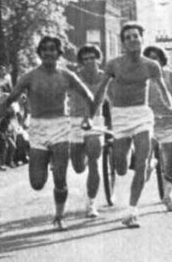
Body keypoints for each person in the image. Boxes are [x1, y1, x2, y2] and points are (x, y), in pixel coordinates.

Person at [0, 36, 96, 231]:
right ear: (39, 53)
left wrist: (89, 118)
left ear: (58, 53)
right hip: (37, 127)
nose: (48, 52)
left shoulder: (66, 75)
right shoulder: (29, 76)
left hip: (60, 126)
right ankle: (45, 160)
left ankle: (59, 215)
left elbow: (89, 96)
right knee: (37, 183)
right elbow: (8, 99)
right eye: (44, 49)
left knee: (60, 178)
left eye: (52, 49)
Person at [92, 23, 172, 228]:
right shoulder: (114, 65)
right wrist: (91, 114)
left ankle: (131, 211)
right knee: (120, 167)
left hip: (142, 114)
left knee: (140, 164)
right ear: (123, 42)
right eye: (128, 37)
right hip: (120, 116)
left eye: (136, 36)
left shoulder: (151, 65)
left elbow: (163, 89)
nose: (132, 40)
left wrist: (170, 105)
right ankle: (129, 159)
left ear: (141, 39)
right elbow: (101, 91)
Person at [143, 45, 172, 212]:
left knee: (170, 164)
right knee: (142, 165)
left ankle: (168, 196)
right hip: (148, 123)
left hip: (169, 122)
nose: (152, 62)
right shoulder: (142, 78)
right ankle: (150, 163)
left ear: (162, 60)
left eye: (155, 58)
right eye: (149, 59)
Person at [67, 44, 109, 218]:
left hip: (95, 121)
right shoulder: (74, 78)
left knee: (94, 160)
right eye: (85, 59)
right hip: (76, 122)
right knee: (78, 167)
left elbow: (113, 99)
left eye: (93, 57)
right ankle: (80, 157)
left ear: (98, 58)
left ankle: (91, 203)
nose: (90, 61)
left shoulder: (105, 77)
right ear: (81, 62)